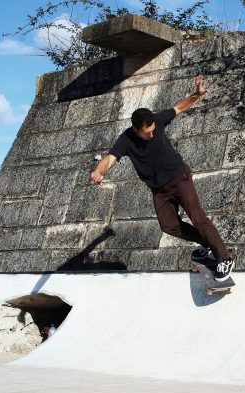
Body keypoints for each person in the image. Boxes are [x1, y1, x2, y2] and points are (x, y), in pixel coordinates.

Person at [89, 75, 234, 281]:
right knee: (169, 226)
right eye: (146, 133)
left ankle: (224, 258)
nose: (151, 135)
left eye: (153, 131)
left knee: (197, 217)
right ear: (135, 129)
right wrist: (99, 171)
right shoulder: (126, 139)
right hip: (159, 190)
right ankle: (207, 243)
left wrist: (196, 94)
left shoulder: (156, 120)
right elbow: (111, 158)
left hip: (179, 177)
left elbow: (178, 108)